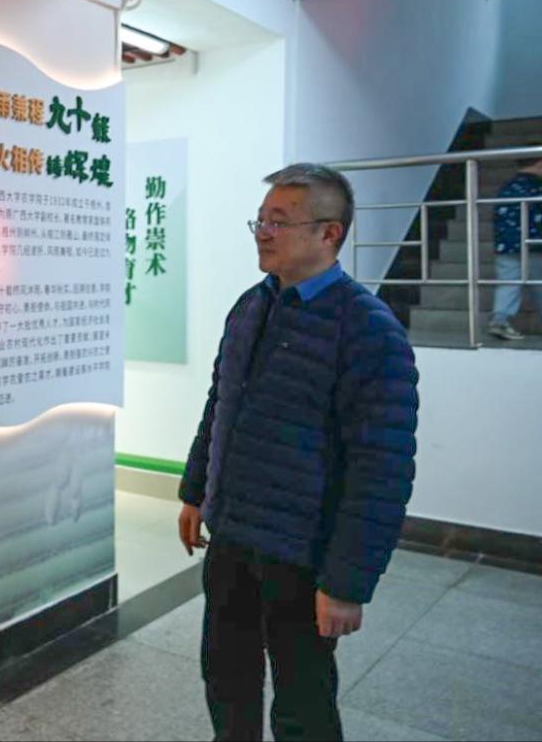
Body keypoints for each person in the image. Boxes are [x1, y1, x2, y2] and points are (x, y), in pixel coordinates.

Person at [178, 164, 419, 742]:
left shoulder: (368, 330)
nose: (263, 232)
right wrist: (195, 491)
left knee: (302, 702)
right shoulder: (251, 306)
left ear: (329, 233)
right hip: (232, 537)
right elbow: (220, 405)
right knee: (226, 677)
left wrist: (347, 584)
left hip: (302, 553)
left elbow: (381, 469)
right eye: (260, 220)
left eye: (279, 221)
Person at [488, 157, 542, 341]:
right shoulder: (536, 187)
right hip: (533, 244)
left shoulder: (508, 187)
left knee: (508, 282)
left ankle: (500, 320)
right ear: (539, 164)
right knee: (539, 283)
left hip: (505, 244)